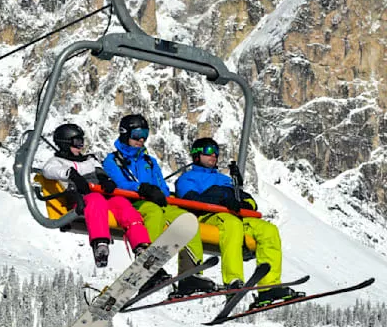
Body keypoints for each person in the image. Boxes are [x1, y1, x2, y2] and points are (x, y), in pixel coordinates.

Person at [174, 136, 302, 308]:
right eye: (209, 152)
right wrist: (222, 198)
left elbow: (246, 199)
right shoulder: (188, 178)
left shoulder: (225, 179)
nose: (214, 156)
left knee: (268, 230)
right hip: (209, 217)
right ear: (197, 155)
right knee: (231, 225)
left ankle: (268, 287)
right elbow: (190, 199)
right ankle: (233, 281)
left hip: (235, 217)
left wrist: (244, 202)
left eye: (216, 153)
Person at [101, 114, 215, 296]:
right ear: (125, 133)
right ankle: (147, 266)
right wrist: (141, 188)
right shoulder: (112, 160)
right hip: (133, 202)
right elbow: (118, 183)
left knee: (187, 219)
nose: (141, 139)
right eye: (137, 133)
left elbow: (162, 185)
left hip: (156, 201)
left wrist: (158, 192)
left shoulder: (149, 161)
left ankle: (189, 275)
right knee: (153, 212)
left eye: (145, 134)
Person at [42, 123, 151, 267]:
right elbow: (48, 170)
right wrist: (71, 175)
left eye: (82, 142)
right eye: (77, 143)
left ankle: (141, 246)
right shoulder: (57, 162)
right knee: (96, 200)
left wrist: (106, 180)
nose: (80, 146)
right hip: (81, 198)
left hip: (103, 196)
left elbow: (100, 171)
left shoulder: (89, 160)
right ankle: (100, 244)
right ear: (65, 143)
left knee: (122, 204)